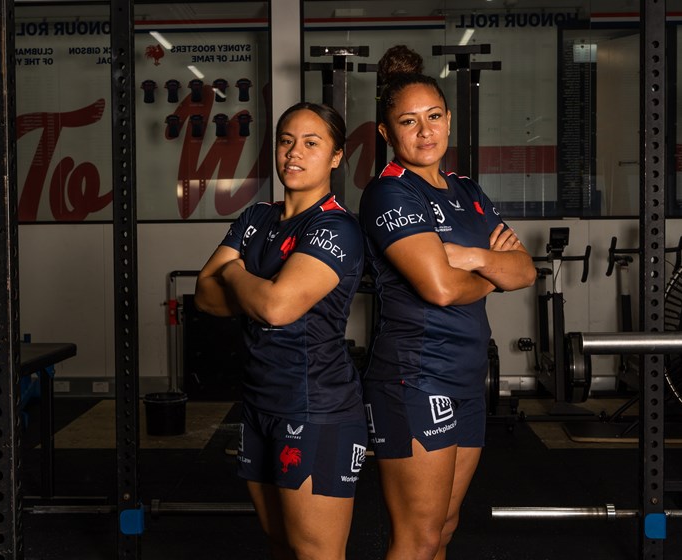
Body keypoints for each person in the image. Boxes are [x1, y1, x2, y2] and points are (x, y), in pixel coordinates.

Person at [359, 46, 536, 560]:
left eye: (433, 117)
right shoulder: (390, 193)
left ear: (449, 119)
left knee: (444, 529)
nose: (425, 131)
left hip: (466, 377)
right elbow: (439, 288)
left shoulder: (467, 190)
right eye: (408, 122)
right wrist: (492, 273)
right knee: (417, 537)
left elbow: (525, 270)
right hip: (415, 379)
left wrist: (472, 257)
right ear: (386, 132)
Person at [194, 102, 367, 560]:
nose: (294, 152)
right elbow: (204, 294)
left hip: (315, 407)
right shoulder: (257, 217)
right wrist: (259, 290)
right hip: (259, 401)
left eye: (311, 143)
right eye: (286, 141)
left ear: (336, 156)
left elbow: (276, 307)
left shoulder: (336, 226)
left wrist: (235, 273)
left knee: (316, 553)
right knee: (280, 543)